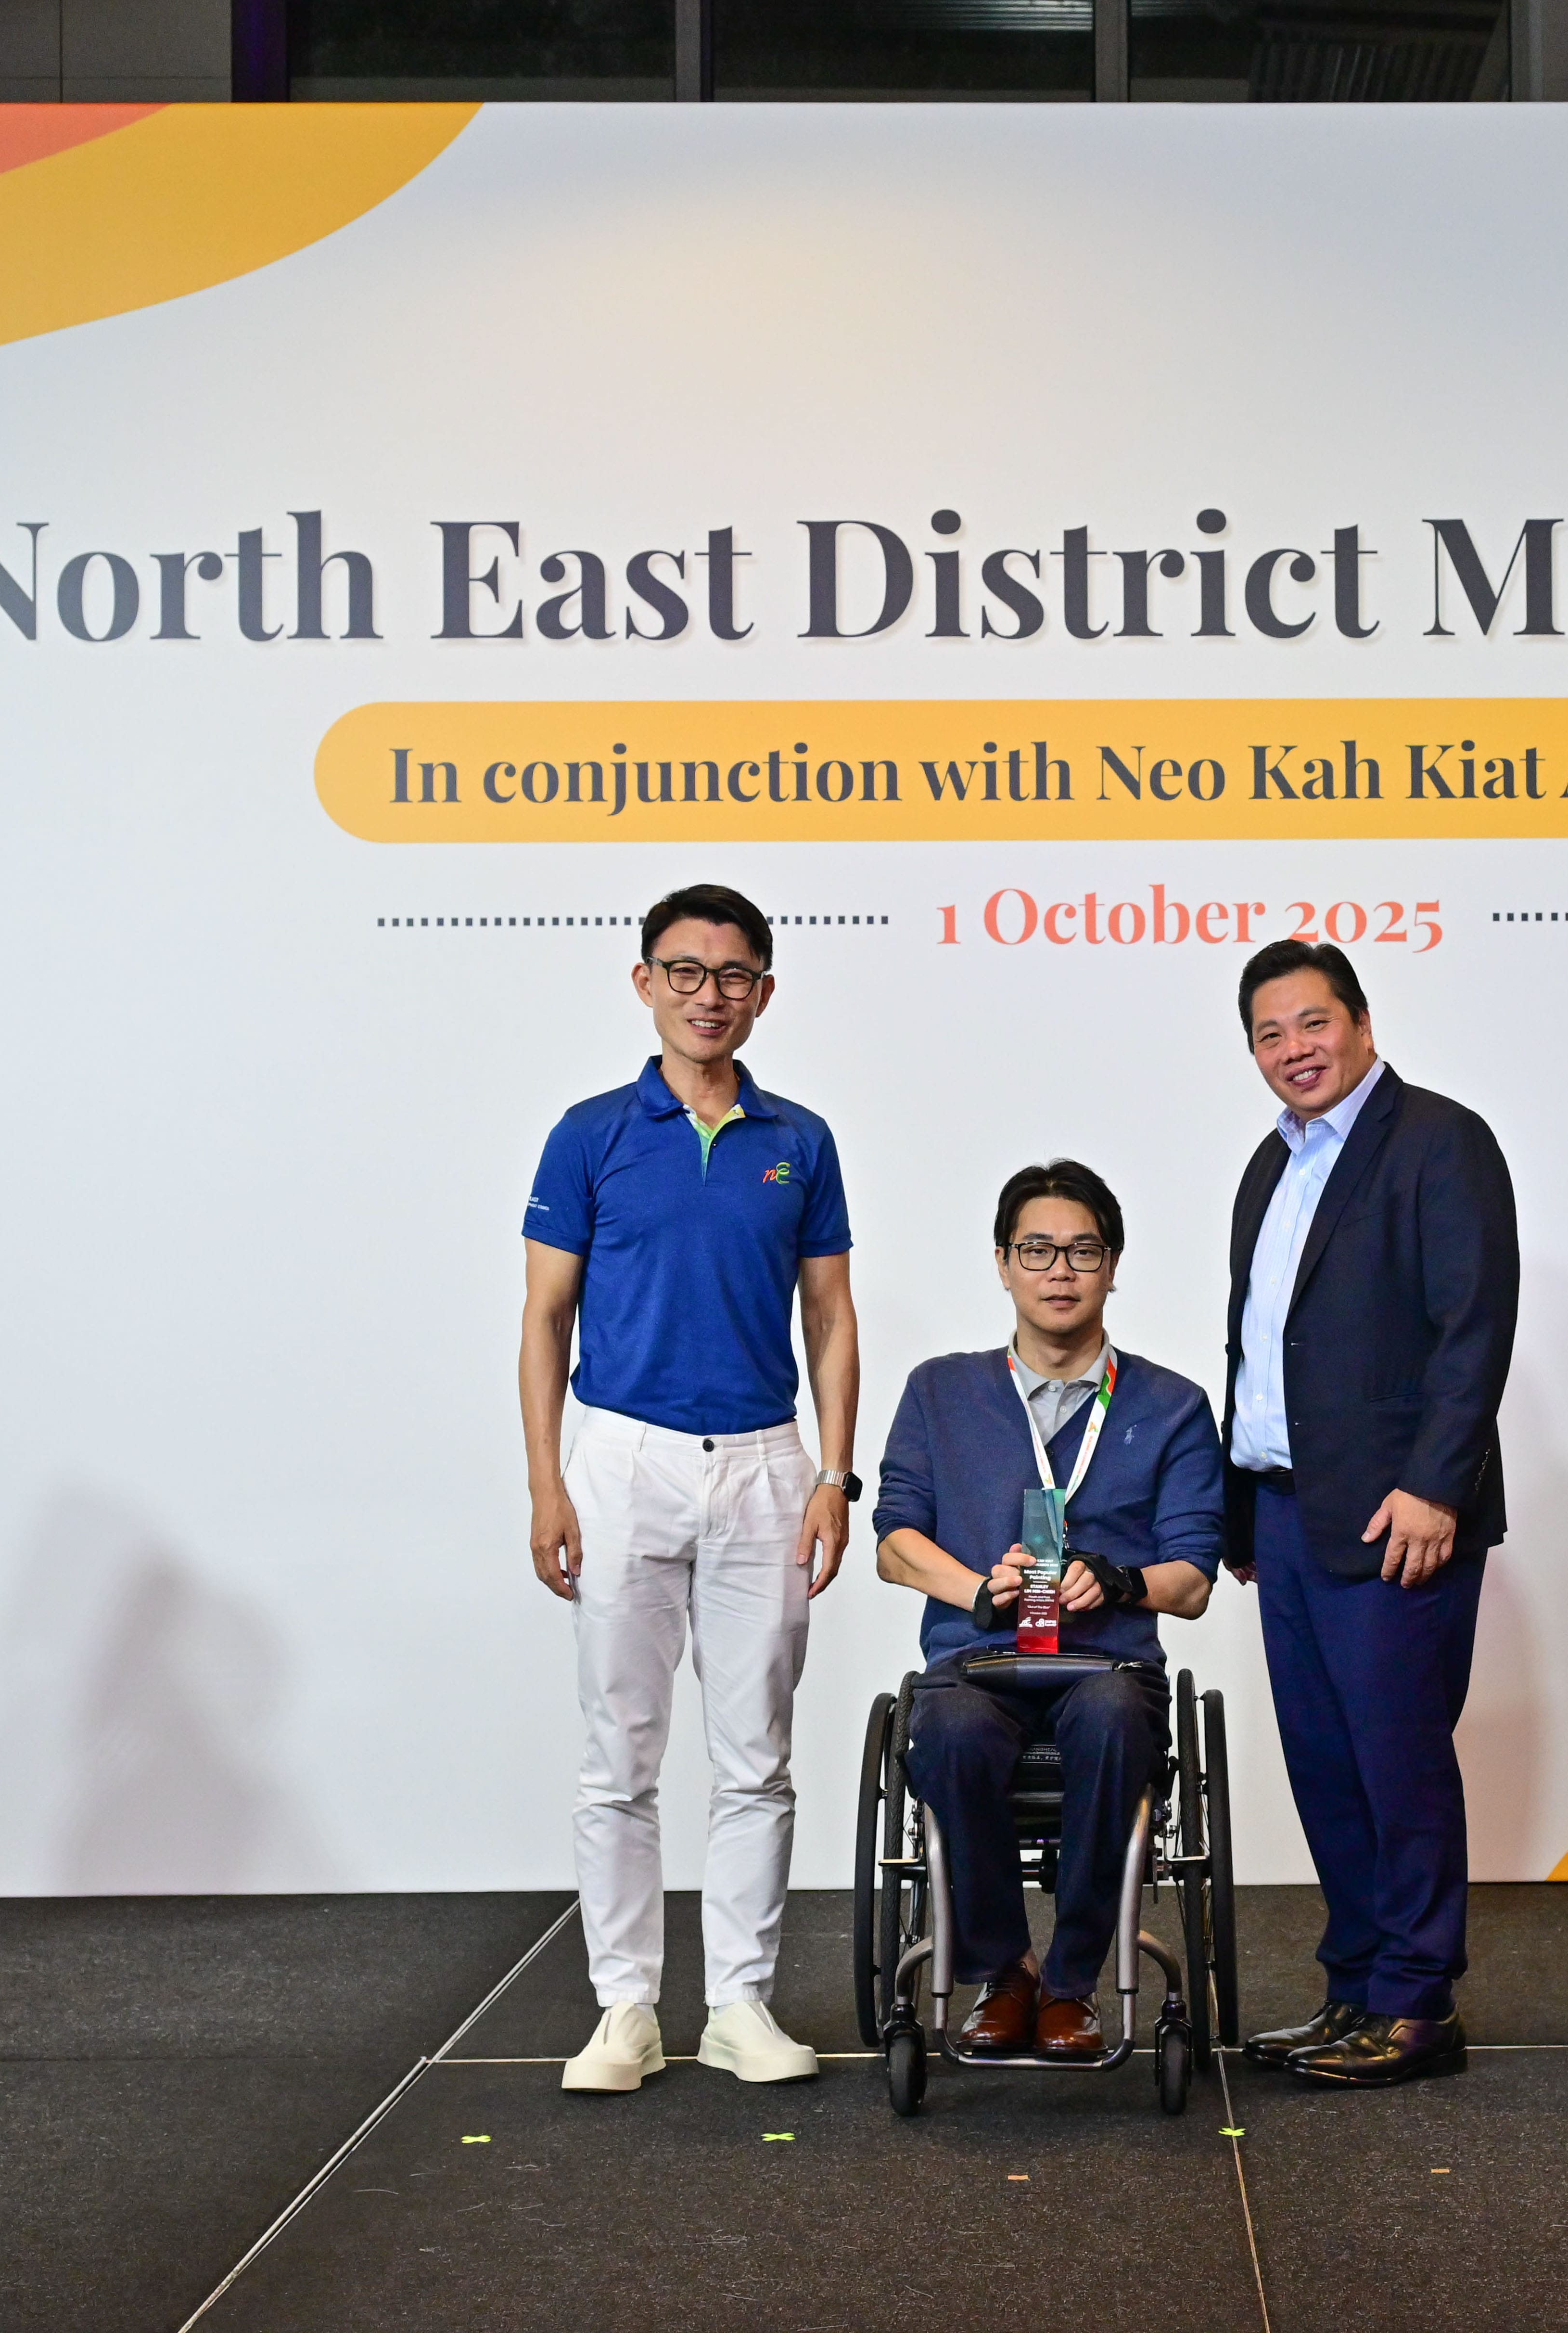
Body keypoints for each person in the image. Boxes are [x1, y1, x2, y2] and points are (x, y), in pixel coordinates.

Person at [520, 883, 859, 2093]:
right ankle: (624, 2008)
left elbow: (830, 1318)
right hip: (622, 1460)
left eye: (731, 976)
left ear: (763, 991)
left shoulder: (798, 1141)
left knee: (755, 1753)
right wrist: (546, 1484)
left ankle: (737, 2005)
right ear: (644, 983)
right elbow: (544, 1318)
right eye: (684, 971)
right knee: (618, 1753)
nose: (707, 995)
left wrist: (833, 1475)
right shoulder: (589, 1134)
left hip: (765, 1464)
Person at [1219, 938, 1518, 2088]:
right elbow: (1261, 1343)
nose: (1293, 1049)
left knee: (1398, 1764)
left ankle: (1414, 2005)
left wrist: (1437, 1484)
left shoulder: (1439, 1140)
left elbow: (1473, 1324)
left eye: (1312, 1023)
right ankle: (1351, 1988)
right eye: (1268, 1034)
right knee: (1327, 1768)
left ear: (1359, 1022)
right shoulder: (1271, 1165)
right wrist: (1241, 1511)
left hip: (1398, 1516)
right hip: (1286, 1516)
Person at [874, 1160, 1223, 2062]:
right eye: (1037, 1250)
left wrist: (1119, 1581)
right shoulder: (939, 1392)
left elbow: (1192, 1581)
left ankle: (1071, 1984)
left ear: (1112, 1265)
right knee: (950, 1733)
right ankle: (1006, 1973)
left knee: (1110, 1718)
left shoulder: (1172, 1406)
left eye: (1082, 1251)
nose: (1059, 1271)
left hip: (1108, 1667)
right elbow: (892, 1543)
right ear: (1002, 1264)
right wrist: (975, 1591)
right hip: (977, 1662)